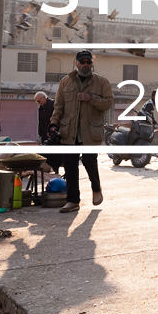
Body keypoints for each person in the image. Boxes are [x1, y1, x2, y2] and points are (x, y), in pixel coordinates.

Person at [49, 50, 112, 213]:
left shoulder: (101, 82)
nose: (85, 65)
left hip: (90, 131)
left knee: (89, 161)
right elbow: (59, 106)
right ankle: (72, 201)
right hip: (69, 131)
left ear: (92, 64)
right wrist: (53, 123)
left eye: (88, 62)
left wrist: (90, 98)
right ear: (76, 63)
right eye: (82, 62)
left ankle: (96, 188)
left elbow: (108, 103)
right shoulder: (65, 82)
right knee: (70, 167)